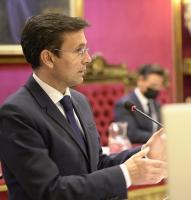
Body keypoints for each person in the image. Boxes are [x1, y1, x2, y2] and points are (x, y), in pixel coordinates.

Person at [0, 13, 166, 200]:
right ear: (48, 58)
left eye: (86, 49)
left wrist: (145, 151)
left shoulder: (79, 101)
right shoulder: (16, 114)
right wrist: (126, 174)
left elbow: (97, 164)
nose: (88, 58)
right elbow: (50, 192)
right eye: (79, 50)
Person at [114, 64, 165, 144]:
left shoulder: (156, 104)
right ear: (140, 81)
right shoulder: (125, 105)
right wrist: (159, 137)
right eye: (153, 85)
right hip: (136, 150)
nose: (156, 89)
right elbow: (131, 134)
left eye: (159, 86)